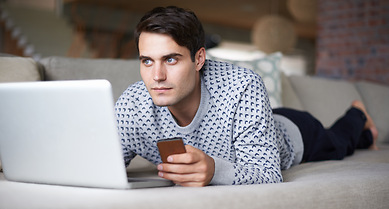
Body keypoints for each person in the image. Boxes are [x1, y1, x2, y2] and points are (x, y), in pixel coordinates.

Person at [115, 6, 378, 187]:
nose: (157, 76)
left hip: (295, 134)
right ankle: (365, 131)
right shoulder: (132, 106)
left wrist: (214, 170)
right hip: (255, 124)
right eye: (147, 61)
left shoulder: (241, 85)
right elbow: (105, 162)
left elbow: (267, 173)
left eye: (170, 59)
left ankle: (358, 114)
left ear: (199, 59)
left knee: (340, 142)